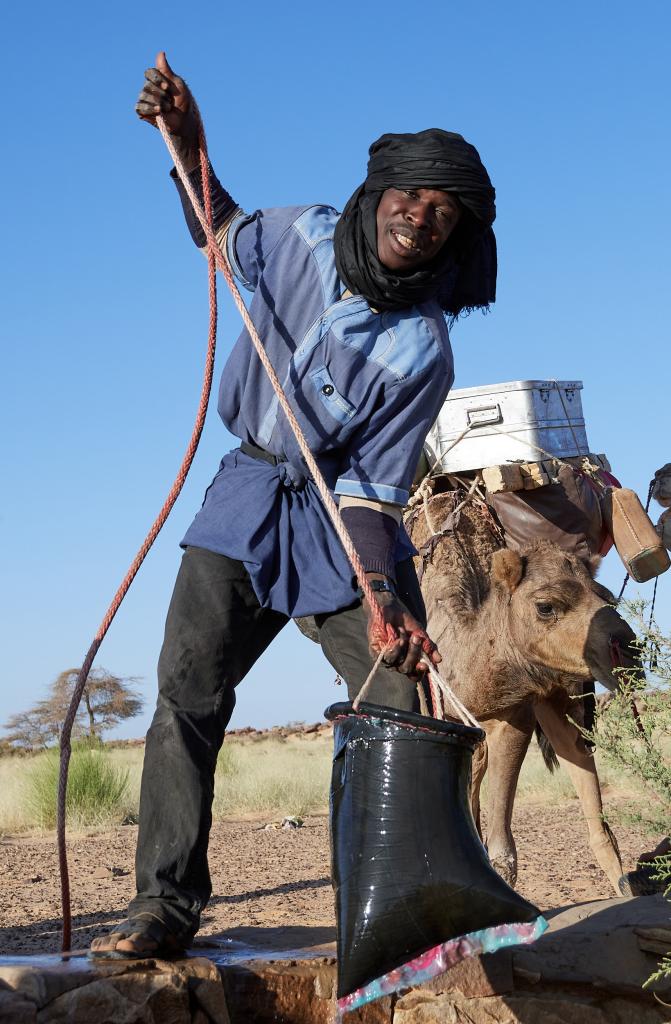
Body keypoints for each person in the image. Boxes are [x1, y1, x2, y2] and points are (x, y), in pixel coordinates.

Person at [91, 52, 497, 958]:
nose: (419, 217)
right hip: (245, 495)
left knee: (402, 696)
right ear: (377, 191)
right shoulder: (303, 235)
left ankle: (391, 916)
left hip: (340, 527)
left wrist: (386, 595)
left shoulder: (423, 348)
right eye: (408, 194)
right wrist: (187, 140)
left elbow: (372, 489)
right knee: (186, 695)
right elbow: (218, 229)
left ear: (457, 232)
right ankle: (161, 908)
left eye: (442, 209)